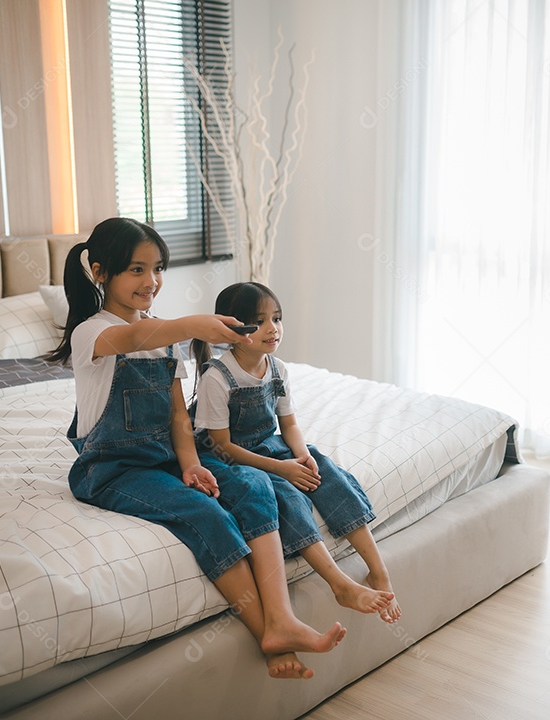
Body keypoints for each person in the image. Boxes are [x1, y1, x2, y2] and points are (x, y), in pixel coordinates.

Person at [44, 217, 346, 679]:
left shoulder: (166, 338)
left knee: (252, 482)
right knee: (206, 515)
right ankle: (265, 628)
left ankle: (283, 617)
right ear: (101, 273)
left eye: (158, 268)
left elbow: (177, 416)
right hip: (112, 470)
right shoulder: (93, 332)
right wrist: (195, 325)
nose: (152, 282)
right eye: (137, 270)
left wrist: (190, 464)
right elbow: (134, 337)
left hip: (165, 458)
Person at [191, 282, 401, 624]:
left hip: (265, 444)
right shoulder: (218, 377)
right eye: (259, 322)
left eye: (277, 318)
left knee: (324, 470)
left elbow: (288, 426)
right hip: (228, 456)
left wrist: (302, 456)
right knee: (285, 494)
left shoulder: (277, 368)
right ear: (232, 329)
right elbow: (222, 445)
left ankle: (378, 570)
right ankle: (339, 584)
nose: (272, 329)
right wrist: (282, 469)